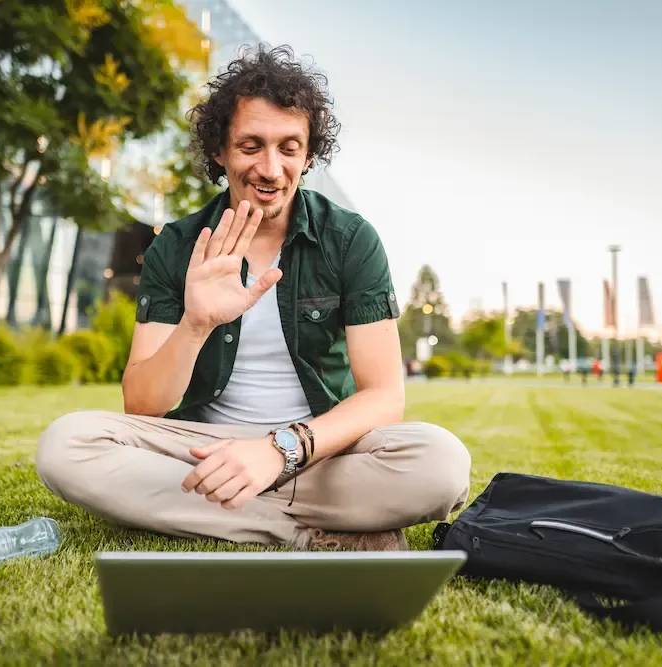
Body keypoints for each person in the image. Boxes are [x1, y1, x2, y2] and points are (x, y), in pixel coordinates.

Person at [36, 45, 471, 551]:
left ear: (308, 156)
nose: (270, 168)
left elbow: (384, 397)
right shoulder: (176, 246)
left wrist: (278, 451)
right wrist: (195, 323)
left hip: (319, 449)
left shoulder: (350, 240)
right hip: (202, 449)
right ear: (219, 152)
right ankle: (308, 532)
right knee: (66, 446)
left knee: (441, 464)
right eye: (251, 146)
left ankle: (220, 509)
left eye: (289, 148)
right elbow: (143, 404)